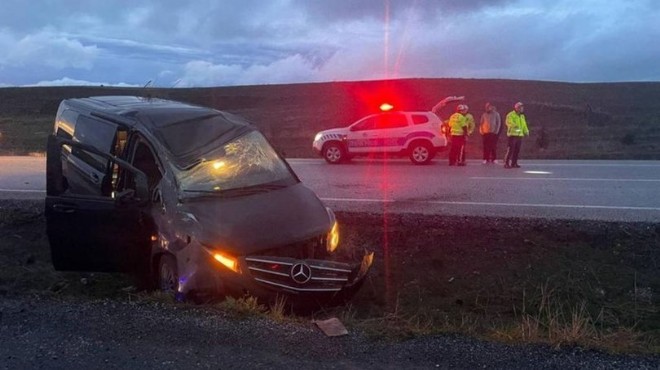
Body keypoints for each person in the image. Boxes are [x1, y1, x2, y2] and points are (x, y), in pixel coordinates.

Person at [504, 102, 529, 168]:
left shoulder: (522, 116)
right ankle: (506, 163)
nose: (522, 109)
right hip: (512, 135)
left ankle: (514, 163)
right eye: (521, 107)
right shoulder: (511, 115)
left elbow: (524, 125)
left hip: (519, 135)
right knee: (510, 150)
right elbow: (508, 122)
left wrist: (526, 131)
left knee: (517, 150)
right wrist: (515, 126)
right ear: (517, 108)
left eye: (522, 107)